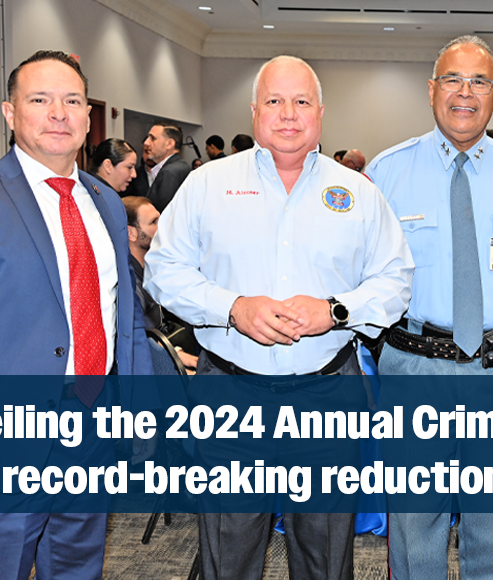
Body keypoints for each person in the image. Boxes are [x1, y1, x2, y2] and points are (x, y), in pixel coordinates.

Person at [145, 55, 413, 580]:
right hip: (230, 391)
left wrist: (336, 311)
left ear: (320, 113)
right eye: (274, 101)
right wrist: (232, 308)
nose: (288, 114)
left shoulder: (359, 194)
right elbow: (163, 271)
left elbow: (395, 282)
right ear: (253, 112)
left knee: (325, 551)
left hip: (327, 390)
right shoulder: (206, 186)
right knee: (230, 547)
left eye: (301, 101)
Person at [0, 50, 154, 580]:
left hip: (95, 425)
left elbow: (122, 317)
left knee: (79, 568)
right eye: (40, 99)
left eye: (72, 101)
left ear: (89, 118)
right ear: (10, 113)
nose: (58, 113)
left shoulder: (107, 202)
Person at [366, 35, 493, 580]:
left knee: (492, 521)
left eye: (478, 82)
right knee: (413, 524)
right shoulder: (386, 174)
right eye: (452, 79)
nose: (464, 93)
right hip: (415, 367)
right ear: (432, 90)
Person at [123, 195, 198, 370]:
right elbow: (138, 338)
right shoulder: (129, 282)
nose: (162, 227)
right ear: (131, 233)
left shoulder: (155, 266)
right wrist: (176, 355)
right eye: (153, 222)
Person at [142, 122, 191, 213]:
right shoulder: (179, 167)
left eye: (153, 138)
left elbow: (163, 214)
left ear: (169, 144)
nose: (146, 142)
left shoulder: (170, 172)